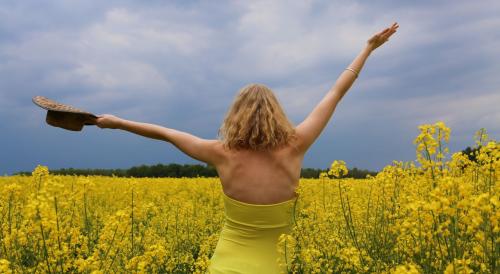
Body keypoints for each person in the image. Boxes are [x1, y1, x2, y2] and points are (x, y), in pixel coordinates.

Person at [96, 22, 399, 274]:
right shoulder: (296, 145)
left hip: (225, 266)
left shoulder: (220, 153)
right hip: (276, 266)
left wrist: (117, 122)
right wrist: (368, 48)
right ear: (277, 113)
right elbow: (336, 92)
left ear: (235, 115)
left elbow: (165, 133)